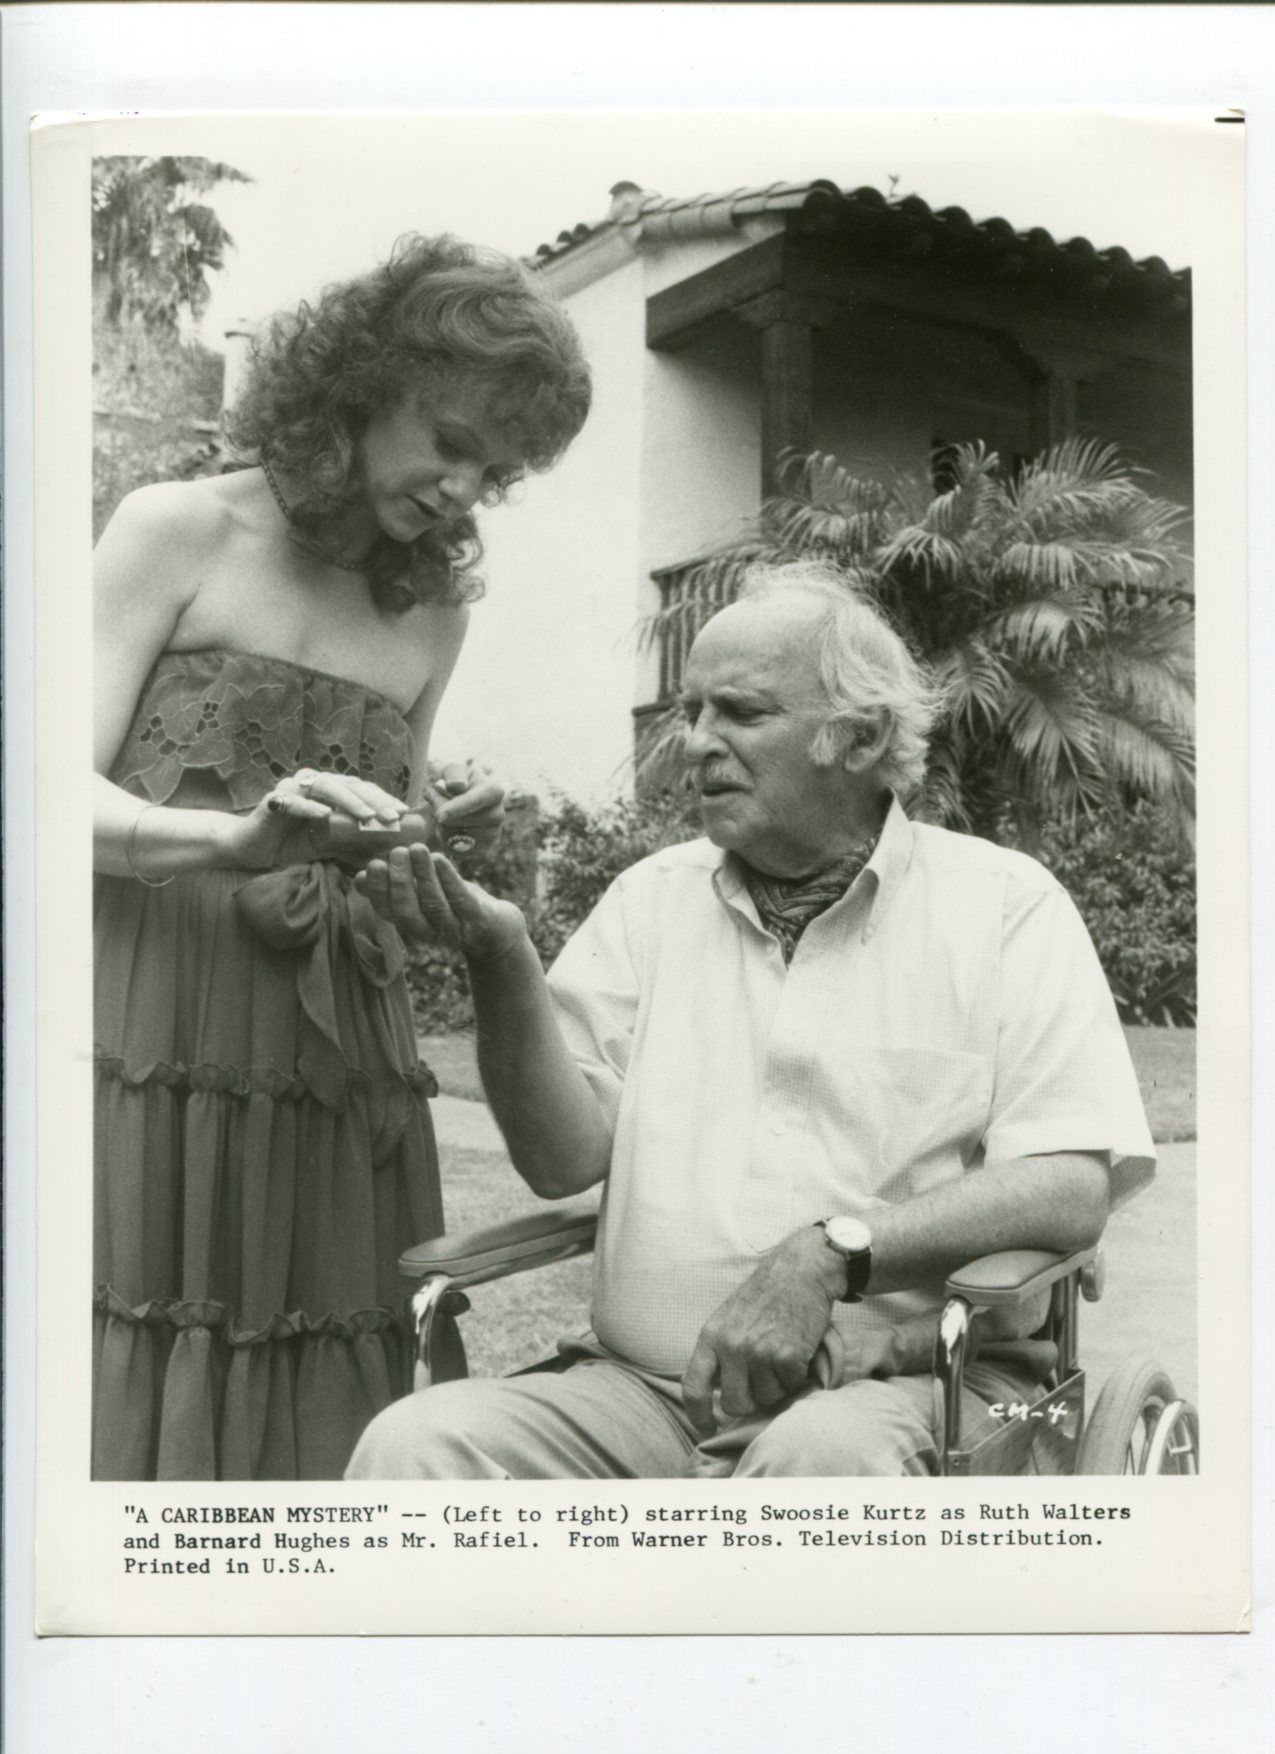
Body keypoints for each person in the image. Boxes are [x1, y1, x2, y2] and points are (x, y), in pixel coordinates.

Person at [346, 560, 1154, 1480]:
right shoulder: (648, 900)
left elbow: (1067, 1187)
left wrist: (829, 1255)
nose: (695, 742)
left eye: (739, 712)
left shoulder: (1003, 906)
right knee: (416, 1445)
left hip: (911, 1382)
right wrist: (500, 960)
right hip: (646, 1391)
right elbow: (560, 1159)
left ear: (858, 738)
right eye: (692, 711)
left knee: (820, 1457)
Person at [93, 233, 591, 1480]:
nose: (463, 488)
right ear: (360, 386)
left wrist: (429, 829)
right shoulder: (175, 529)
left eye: (495, 470)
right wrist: (231, 837)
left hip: (340, 1066)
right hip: (154, 1034)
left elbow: (371, 840)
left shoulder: (436, 609)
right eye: (449, 440)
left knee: (329, 1366)